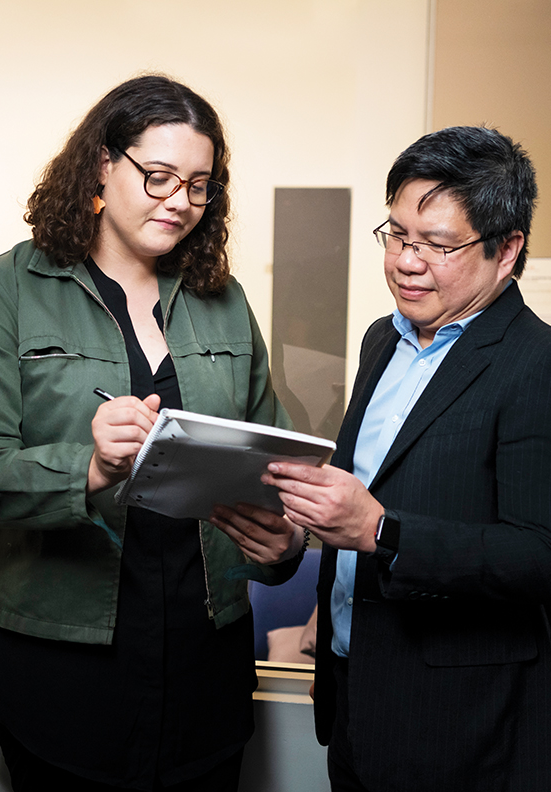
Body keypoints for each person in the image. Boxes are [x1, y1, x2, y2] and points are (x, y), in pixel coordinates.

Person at [0, 74, 304, 792]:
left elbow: (277, 464)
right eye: (158, 176)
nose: (180, 200)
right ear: (101, 166)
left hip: (205, 659)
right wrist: (87, 466)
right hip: (59, 665)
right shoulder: (5, 291)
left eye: (200, 185)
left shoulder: (224, 300)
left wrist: (285, 544)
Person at [213, 126, 551, 791]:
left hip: (464, 727)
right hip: (353, 696)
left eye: (438, 244)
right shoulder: (381, 340)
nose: (406, 261)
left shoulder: (534, 365)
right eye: (396, 234)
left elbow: (537, 556)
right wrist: (294, 531)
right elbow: (361, 490)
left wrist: (381, 531)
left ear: (506, 249)